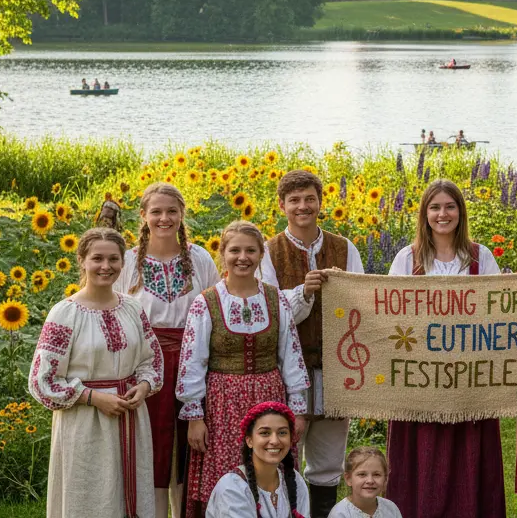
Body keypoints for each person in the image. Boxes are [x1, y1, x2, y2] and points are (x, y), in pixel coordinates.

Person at [386, 179, 505, 518]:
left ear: (460, 212)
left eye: (449, 206)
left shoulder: (481, 257)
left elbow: (498, 309)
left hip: (470, 377)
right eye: (435, 207)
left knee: (469, 455)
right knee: (421, 456)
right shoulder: (407, 259)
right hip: (420, 378)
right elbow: (389, 312)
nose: (442, 214)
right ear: (424, 214)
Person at [177, 221, 310, 518]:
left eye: (251, 250)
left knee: (271, 466)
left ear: (261, 254)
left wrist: (298, 409)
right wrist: (195, 417)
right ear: (222, 254)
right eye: (234, 250)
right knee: (226, 475)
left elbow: (291, 355)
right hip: (222, 403)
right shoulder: (207, 302)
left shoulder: (276, 299)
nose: (243, 257)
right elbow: (192, 361)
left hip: (270, 398)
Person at [29, 227, 163, 518]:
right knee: (90, 495)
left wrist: (143, 385)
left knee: (132, 492)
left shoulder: (133, 308)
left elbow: (150, 359)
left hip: (131, 417)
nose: (106, 266)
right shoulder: (65, 314)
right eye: (97, 258)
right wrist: (93, 398)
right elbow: (43, 380)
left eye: (113, 259)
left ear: (122, 262)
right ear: (82, 261)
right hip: (85, 423)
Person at [257, 170, 364, 517]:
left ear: (320, 202)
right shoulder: (269, 251)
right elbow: (270, 312)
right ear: (282, 205)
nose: (303, 207)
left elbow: (362, 303)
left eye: (309, 199)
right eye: (295, 200)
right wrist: (304, 292)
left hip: (337, 367)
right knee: (283, 450)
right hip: (288, 367)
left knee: (329, 459)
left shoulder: (344, 248)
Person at [113, 183, 220, 518]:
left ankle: (188, 510)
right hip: (144, 364)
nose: (164, 218)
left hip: (192, 359)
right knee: (153, 447)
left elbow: (214, 310)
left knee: (190, 445)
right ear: (143, 216)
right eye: (156, 212)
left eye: (171, 211)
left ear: (182, 214)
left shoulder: (200, 258)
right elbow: (115, 312)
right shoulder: (129, 261)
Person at [206, 401, 310, 518]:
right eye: (265, 433)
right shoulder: (232, 487)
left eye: (282, 432)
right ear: (249, 440)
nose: (275, 441)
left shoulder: (295, 481)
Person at [328, 447, 402, 518]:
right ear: (349, 479)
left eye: (376, 474)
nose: (370, 481)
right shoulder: (340, 513)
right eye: (362, 474)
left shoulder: (391, 509)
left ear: (385, 479)